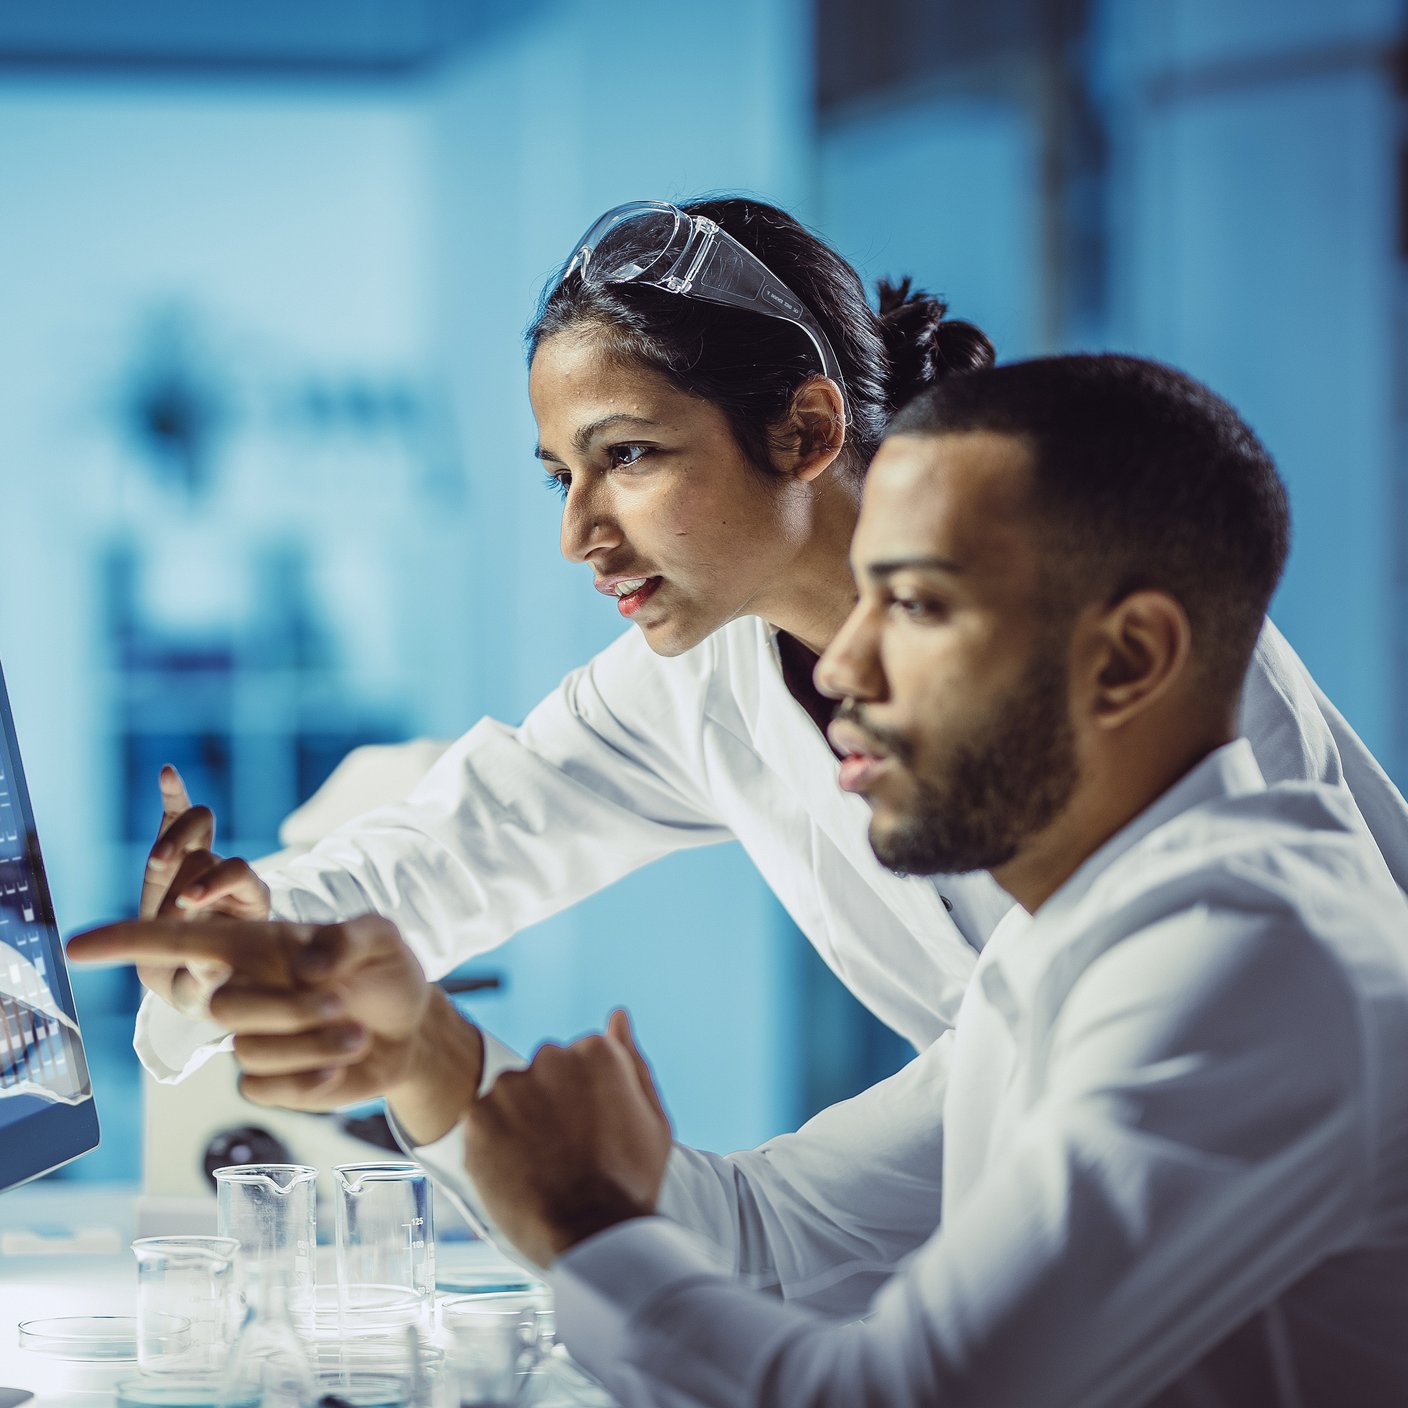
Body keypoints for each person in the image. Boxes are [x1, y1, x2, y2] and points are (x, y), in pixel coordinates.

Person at [74, 355, 1408, 1405]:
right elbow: (766, 1237)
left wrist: (590, 1226)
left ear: (1127, 659)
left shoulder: (1246, 967)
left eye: (918, 607)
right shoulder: (1064, 956)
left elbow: (897, 1396)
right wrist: (425, 1050)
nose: (842, 667)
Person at [129, 198, 1408, 1106]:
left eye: (630, 456)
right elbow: (468, 839)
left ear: (804, 430)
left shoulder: (1091, 618)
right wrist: (254, 926)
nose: (579, 535)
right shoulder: (702, 676)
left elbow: (1281, 999)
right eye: (561, 476)